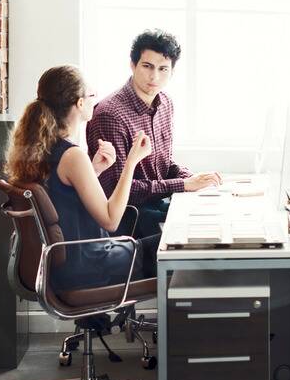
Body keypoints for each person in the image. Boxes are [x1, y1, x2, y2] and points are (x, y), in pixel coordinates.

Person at [0, 65, 157, 293]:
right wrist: (132, 162)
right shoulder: (72, 155)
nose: (96, 100)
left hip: (67, 268)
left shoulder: (44, 147)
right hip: (89, 267)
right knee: (170, 251)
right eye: (92, 96)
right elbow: (111, 220)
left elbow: (61, 196)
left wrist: (94, 171)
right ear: (80, 103)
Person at [86, 29, 222, 238]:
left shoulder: (165, 103)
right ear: (132, 65)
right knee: (205, 238)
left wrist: (194, 178)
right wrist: (184, 185)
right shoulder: (110, 114)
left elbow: (164, 165)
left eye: (163, 69)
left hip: (157, 205)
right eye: (147, 66)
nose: (154, 76)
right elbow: (119, 190)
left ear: (172, 72)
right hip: (130, 220)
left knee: (216, 216)